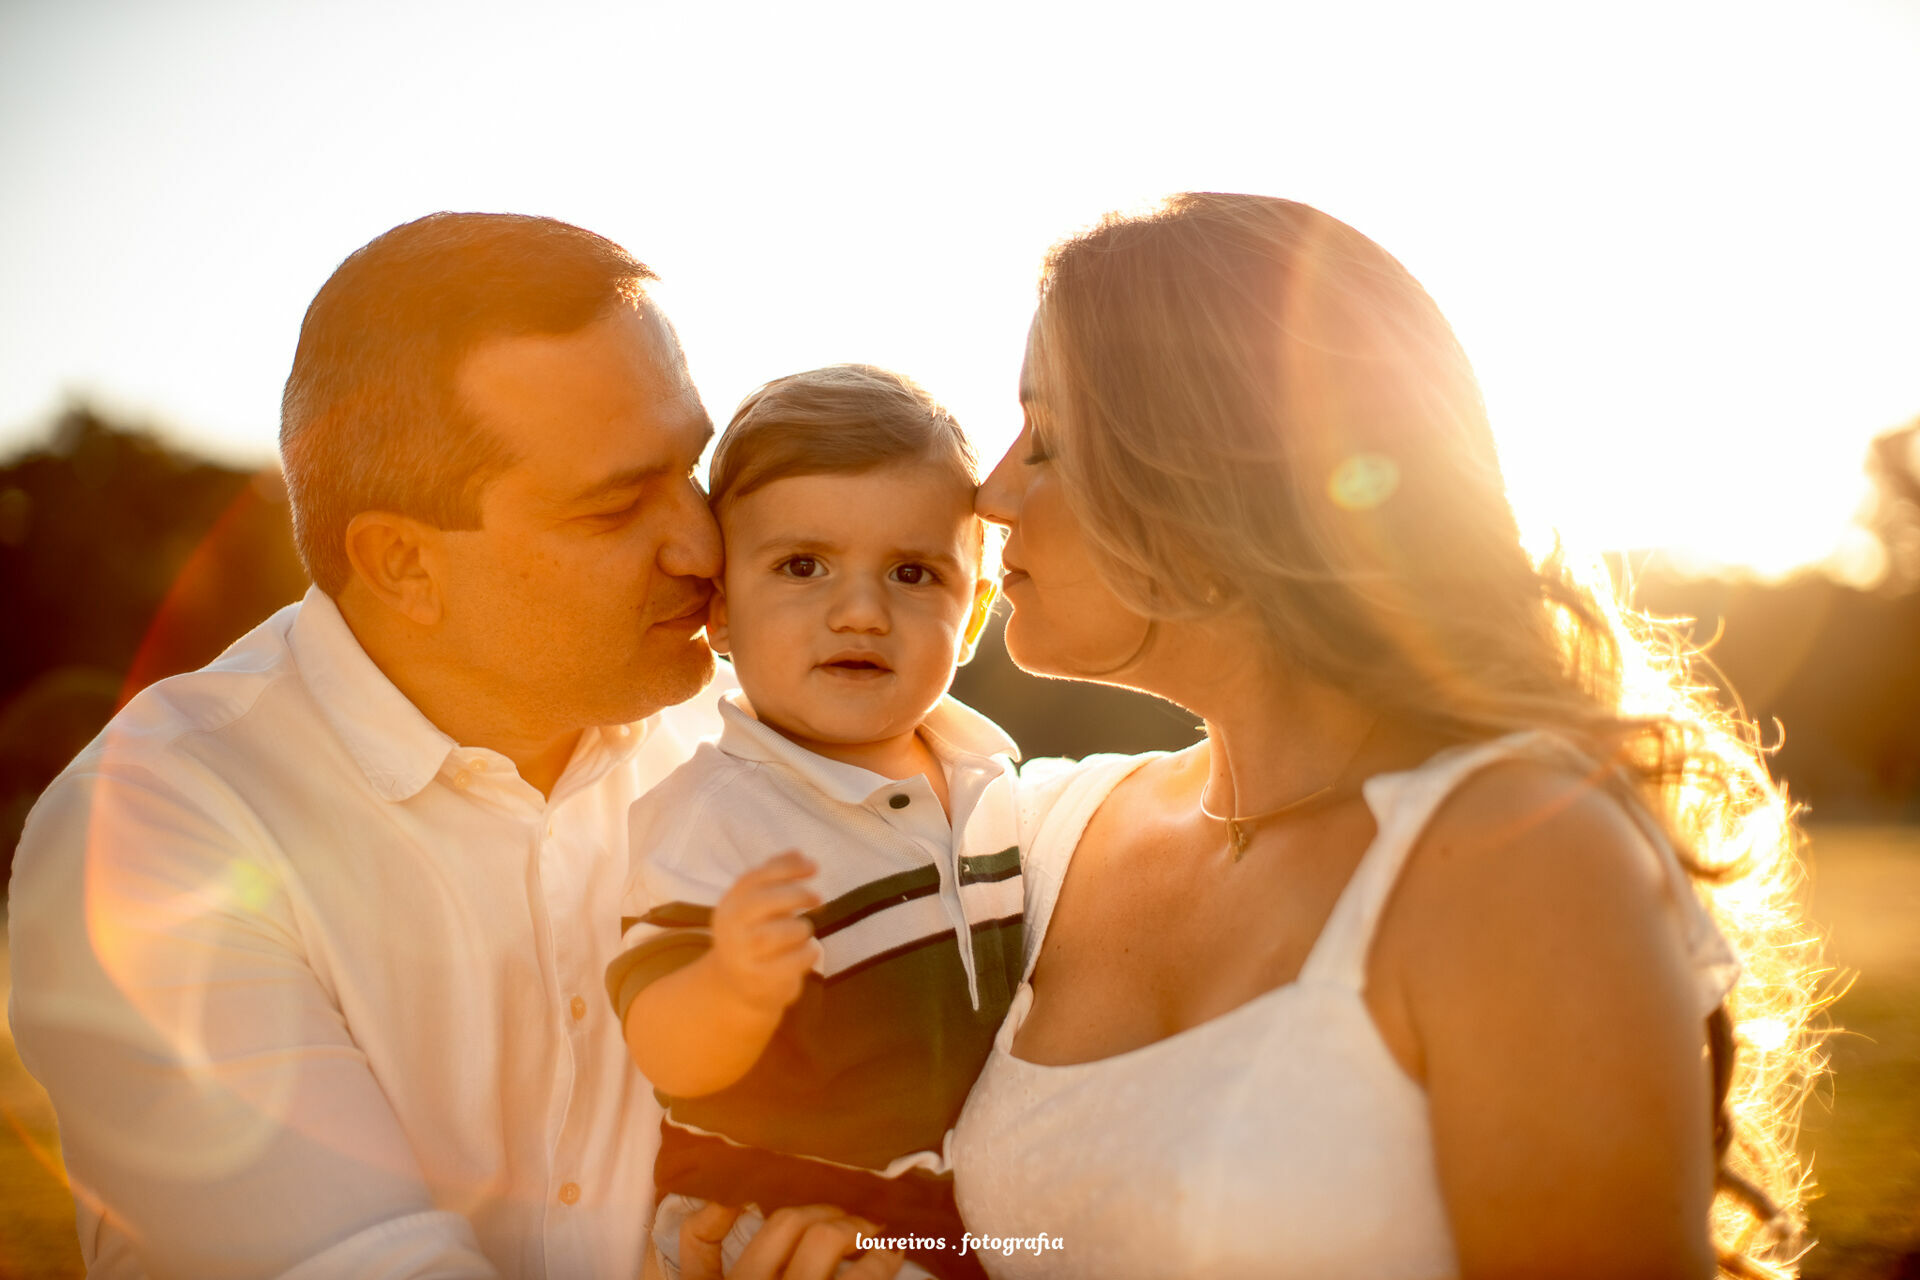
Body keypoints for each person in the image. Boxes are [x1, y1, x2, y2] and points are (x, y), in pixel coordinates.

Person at [942, 194, 1818, 1278]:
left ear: (1218, 479)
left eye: (1051, 440)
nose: (987, 492)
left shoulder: (1517, 860)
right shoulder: (1042, 835)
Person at [7, 212, 738, 1278]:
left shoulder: (749, 752)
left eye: (693, 465)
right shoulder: (159, 823)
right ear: (401, 563)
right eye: (619, 505)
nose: (703, 540)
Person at [607, 366, 1021, 1280]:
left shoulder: (994, 783)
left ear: (977, 611)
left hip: (949, 1214)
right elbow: (659, 1040)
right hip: (777, 1210)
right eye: (803, 566)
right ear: (719, 610)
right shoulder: (714, 816)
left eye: (913, 573)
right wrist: (732, 986)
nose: (862, 611)